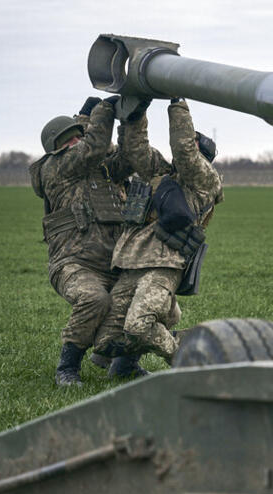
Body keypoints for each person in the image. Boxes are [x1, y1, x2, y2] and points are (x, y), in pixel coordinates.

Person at [94, 98, 222, 372]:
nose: (185, 149)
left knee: (138, 327)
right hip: (130, 263)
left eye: (193, 144)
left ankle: (184, 354)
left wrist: (177, 102)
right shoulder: (162, 174)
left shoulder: (205, 182)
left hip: (163, 265)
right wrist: (135, 111)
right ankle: (157, 346)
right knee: (105, 341)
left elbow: (185, 151)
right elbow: (135, 149)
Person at [30, 96, 132, 386]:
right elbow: (93, 146)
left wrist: (132, 118)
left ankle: (123, 363)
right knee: (93, 299)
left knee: (156, 300)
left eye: (78, 136)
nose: (75, 143)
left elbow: (126, 154)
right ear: (56, 148)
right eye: (68, 140)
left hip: (115, 262)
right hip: (73, 265)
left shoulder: (101, 169)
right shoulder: (55, 168)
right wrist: (103, 111)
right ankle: (67, 367)